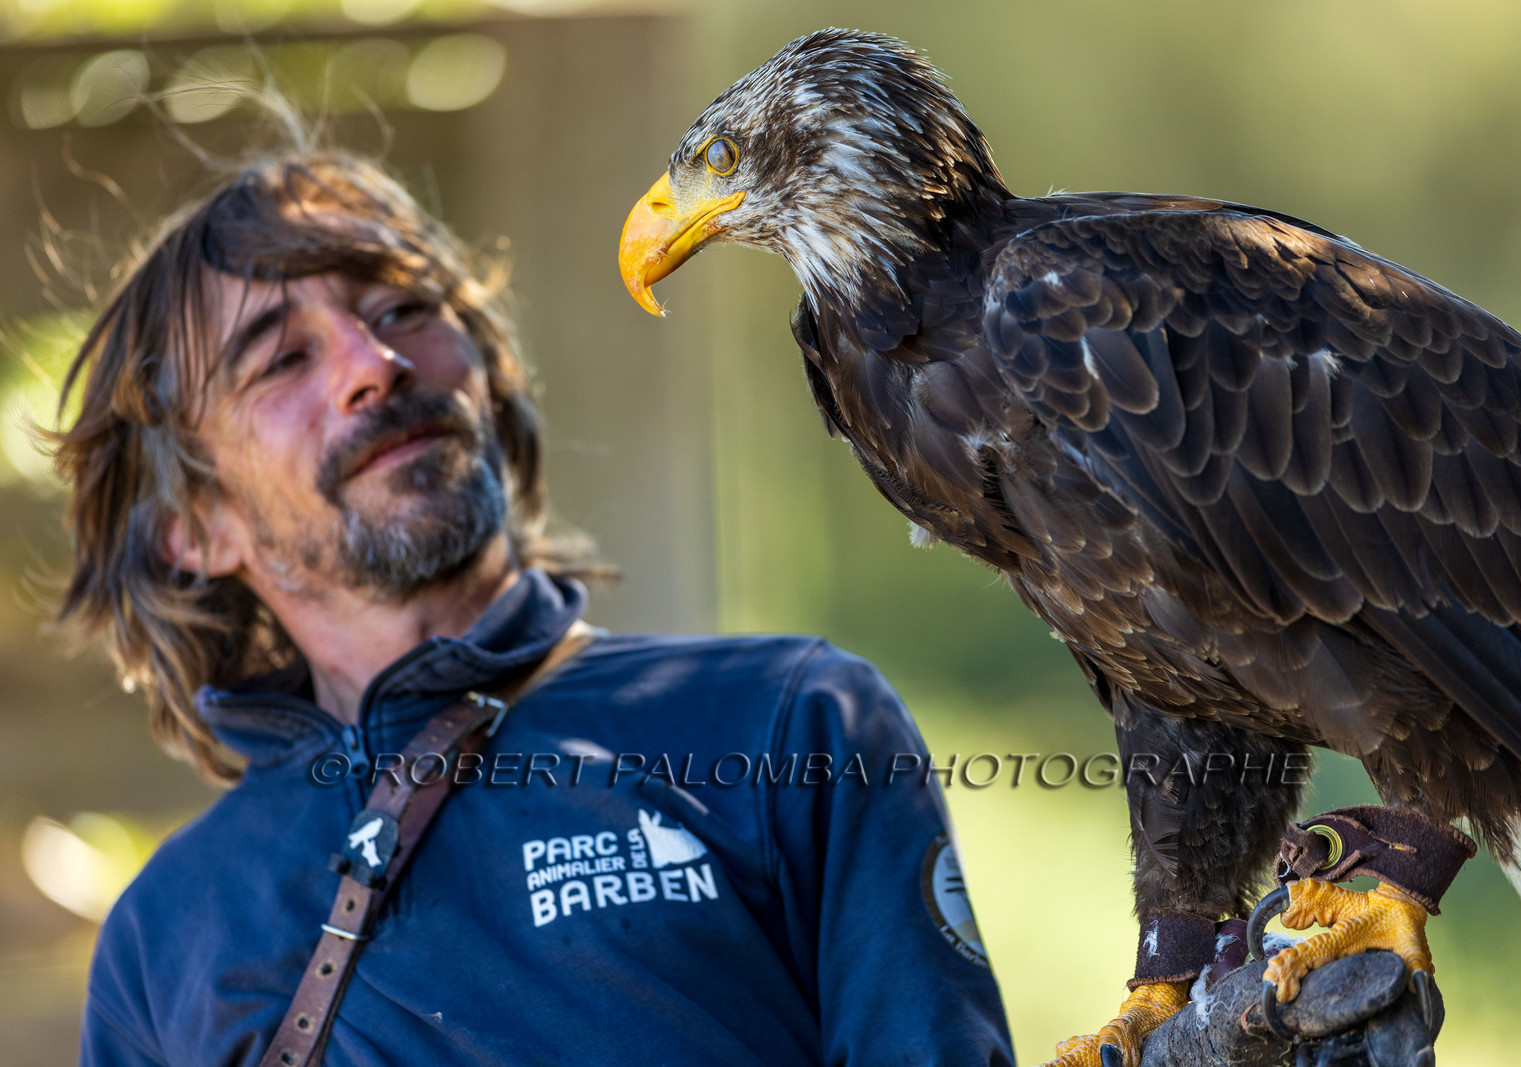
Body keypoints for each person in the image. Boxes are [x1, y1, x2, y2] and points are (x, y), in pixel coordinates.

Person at [52, 147, 1014, 1065]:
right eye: (281, 360)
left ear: (485, 367)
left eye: (405, 307)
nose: (373, 361)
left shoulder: (787, 719)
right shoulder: (160, 940)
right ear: (193, 523)